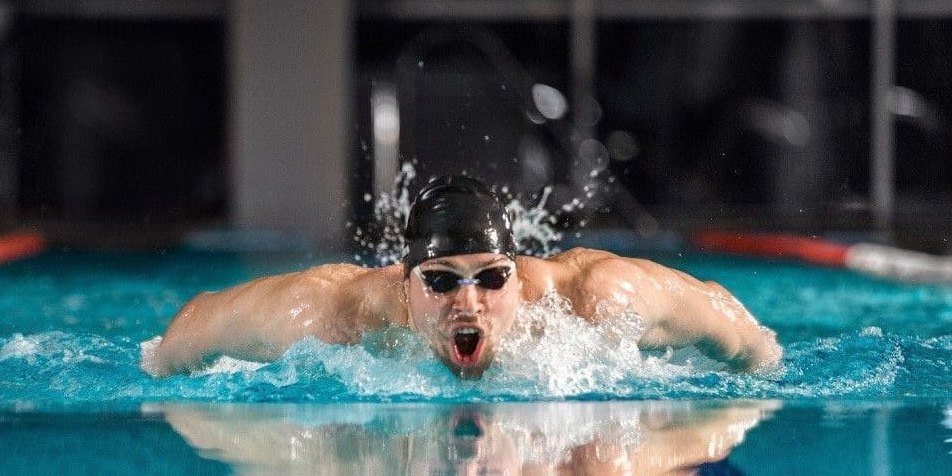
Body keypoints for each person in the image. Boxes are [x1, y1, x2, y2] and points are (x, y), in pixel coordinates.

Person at [149, 175, 781, 378]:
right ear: (403, 283)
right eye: (441, 281)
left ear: (518, 274)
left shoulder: (594, 301)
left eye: (491, 278)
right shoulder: (334, 313)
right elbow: (191, 326)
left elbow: (742, 333)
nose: (469, 303)